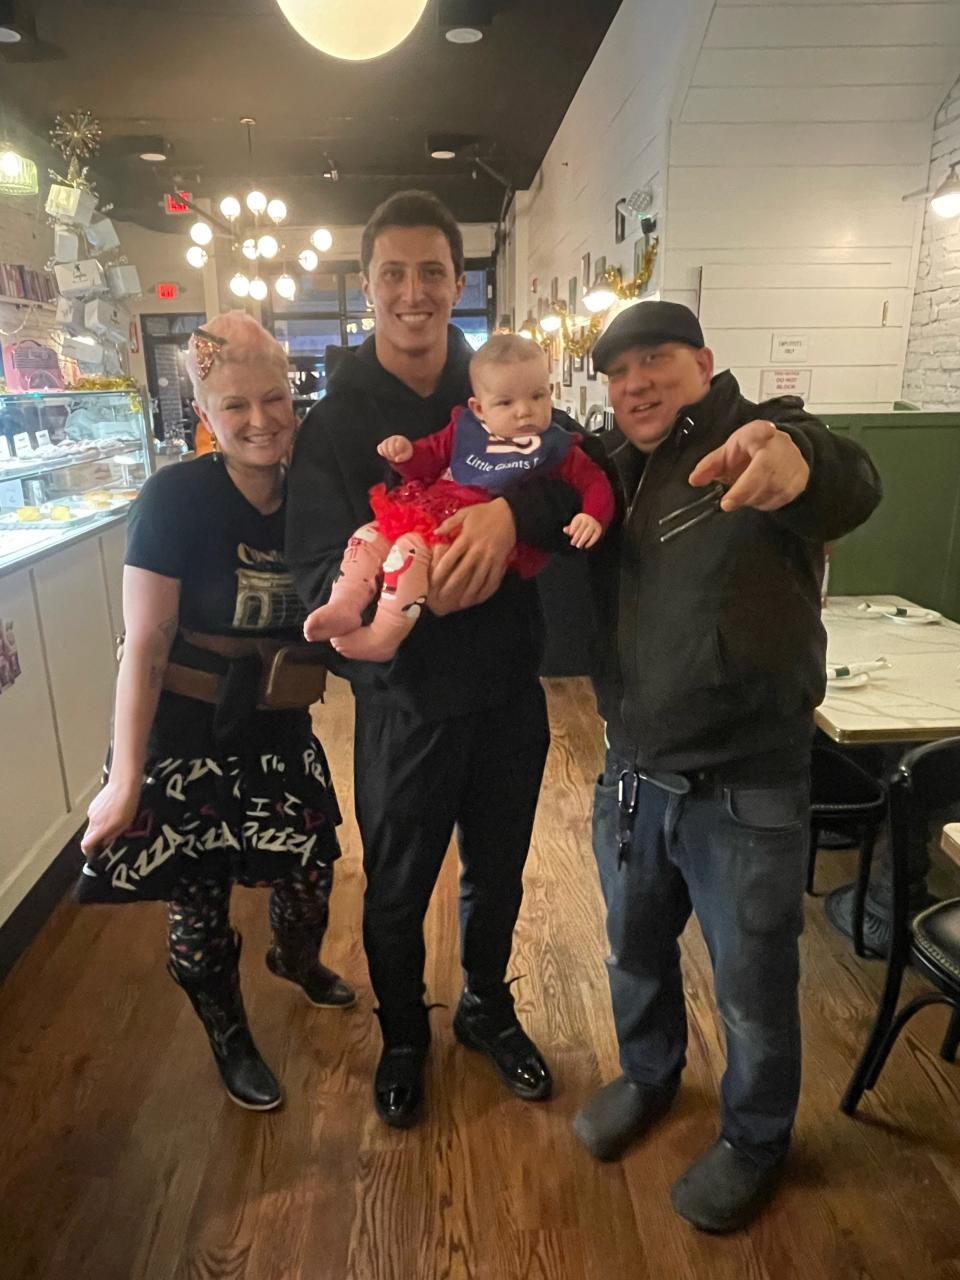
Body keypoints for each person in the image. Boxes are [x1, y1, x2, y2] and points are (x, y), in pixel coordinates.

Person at [572, 301, 882, 1231]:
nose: (637, 383)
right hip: (631, 772)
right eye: (620, 370)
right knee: (633, 950)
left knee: (751, 984)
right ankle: (650, 1075)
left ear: (705, 361)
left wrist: (804, 461)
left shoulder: (764, 442)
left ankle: (755, 1138)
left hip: (744, 787)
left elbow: (851, 481)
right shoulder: (610, 472)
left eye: (657, 358)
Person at [286, 191, 582, 1128]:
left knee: (499, 870)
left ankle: (488, 1007)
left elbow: (579, 473)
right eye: (393, 273)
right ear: (368, 286)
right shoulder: (336, 424)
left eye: (431, 272)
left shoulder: (503, 386)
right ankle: (405, 1030)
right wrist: (380, 638)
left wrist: (514, 514)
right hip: (403, 699)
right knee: (398, 885)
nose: (413, 292)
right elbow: (311, 563)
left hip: (505, 688)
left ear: (459, 282)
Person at [77, 311, 353, 1113]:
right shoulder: (173, 499)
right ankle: (228, 1029)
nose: (261, 420)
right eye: (236, 406)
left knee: (308, 878)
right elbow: (146, 644)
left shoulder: (315, 491)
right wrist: (126, 778)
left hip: (276, 720)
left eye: (274, 399)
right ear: (206, 416)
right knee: (197, 902)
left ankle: (294, 960)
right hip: (185, 732)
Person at [303, 333, 614, 662]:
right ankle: (345, 603)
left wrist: (591, 515)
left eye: (537, 396)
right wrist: (406, 455)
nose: (525, 412)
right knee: (367, 535)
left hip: (459, 540)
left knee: (408, 553)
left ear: (549, 393)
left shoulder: (557, 444)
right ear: (479, 408)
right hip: (428, 510)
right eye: (506, 403)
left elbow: (596, 481)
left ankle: (382, 636)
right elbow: (430, 455)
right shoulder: (464, 430)